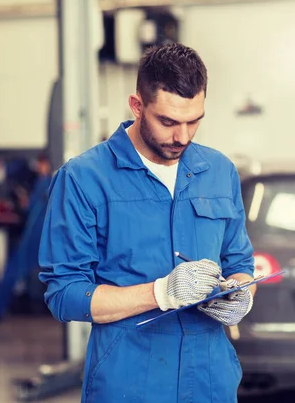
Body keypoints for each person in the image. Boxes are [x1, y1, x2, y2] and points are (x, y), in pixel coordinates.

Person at [39, 43, 256, 403]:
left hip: (210, 381)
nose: (182, 137)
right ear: (137, 106)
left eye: (194, 121)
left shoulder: (219, 172)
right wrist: (160, 293)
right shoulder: (83, 178)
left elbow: (240, 264)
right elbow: (64, 294)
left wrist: (240, 293)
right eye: (168, 122)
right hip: (130, 383)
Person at [0, 152, 52, 320]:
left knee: (13, 270)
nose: (38, 167)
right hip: (47, 238)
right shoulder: (53, 183)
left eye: (41, 164)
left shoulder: (44, 183)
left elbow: (30, 209)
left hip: (33, 237)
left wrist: (23, 200)